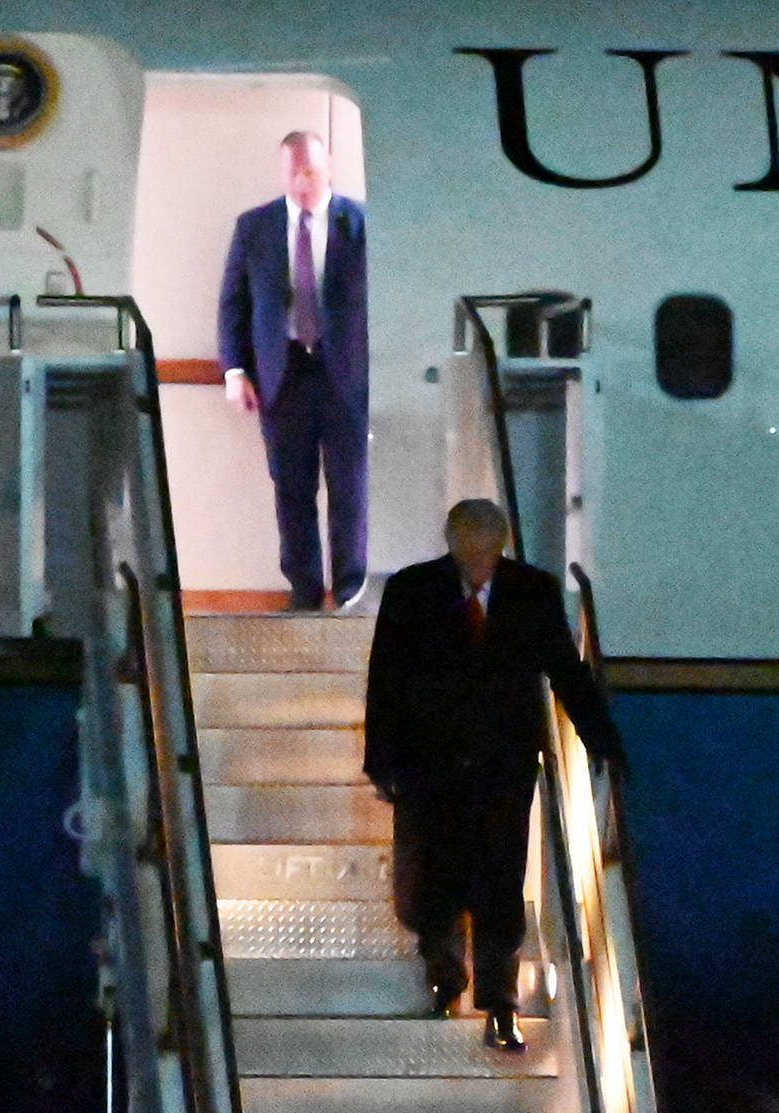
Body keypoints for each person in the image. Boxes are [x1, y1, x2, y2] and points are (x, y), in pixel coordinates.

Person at [364, 498, 624, 1048]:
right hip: (428, 762)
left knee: (499, 882)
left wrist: (602, 740)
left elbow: (566, 671)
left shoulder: (533, 592)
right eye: (468, 554)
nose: (477, 566)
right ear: (452, 544)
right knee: (431, 878)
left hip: (500, 766)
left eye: (486, 555)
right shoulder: (413, 592)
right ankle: (443, 974)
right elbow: (385, 678)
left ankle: (500, 1004)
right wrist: (380, 759)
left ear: (502, 546)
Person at [218, 129, 368, 611]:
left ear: (328, 169)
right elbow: (233, 305)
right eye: (291, 172)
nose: (300, 182)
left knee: (349, 488)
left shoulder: (360, 224)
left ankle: (348, 591)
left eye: (308, 170)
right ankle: (303, 592)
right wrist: (234, 370)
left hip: (344, 375)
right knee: (292, 490)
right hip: (282, 376)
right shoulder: (254, 227)